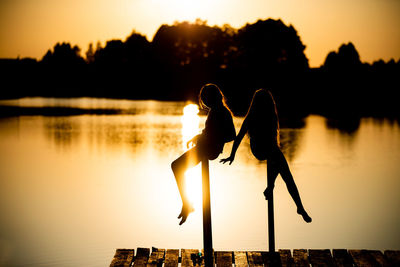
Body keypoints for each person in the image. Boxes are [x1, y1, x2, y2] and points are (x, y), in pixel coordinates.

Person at [220, 89, 312, 223]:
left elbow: (274, 139)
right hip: (258, 149)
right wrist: (232, 155)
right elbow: (239, 137)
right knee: (279, 161)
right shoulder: (251, 117)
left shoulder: (271, 116)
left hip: (271, 149)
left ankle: (299, 207)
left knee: (287, 175)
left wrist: (232, 155)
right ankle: (272, 187)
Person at [171, 83, 236, 225]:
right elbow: (209, 131)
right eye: (203, 98)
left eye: (207, 97)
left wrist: (212, 139)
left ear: (215, 96)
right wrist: (199, 136)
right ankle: (186, 203)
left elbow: (231, 135)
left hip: (209, 149)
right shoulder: (215, 111)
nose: (205, 100)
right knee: (176, 167)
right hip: (205, 147)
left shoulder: (222, 112)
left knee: (176, 166)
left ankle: (187, 203)